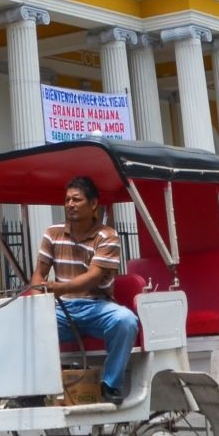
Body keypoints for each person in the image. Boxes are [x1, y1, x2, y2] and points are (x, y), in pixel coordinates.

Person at [30, 174, 139, 407]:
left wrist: (58, 288)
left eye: (77, 200)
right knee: (27, 324)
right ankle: (35, 389)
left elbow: (93, 277)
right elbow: (39, 273)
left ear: (93, 204)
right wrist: (38, 302)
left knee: (126, 321)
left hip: (96, 307)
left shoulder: (107, 236)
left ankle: (110, 384)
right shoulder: (53, 233)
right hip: (61, 309)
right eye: (67, 199)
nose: (70, 204)